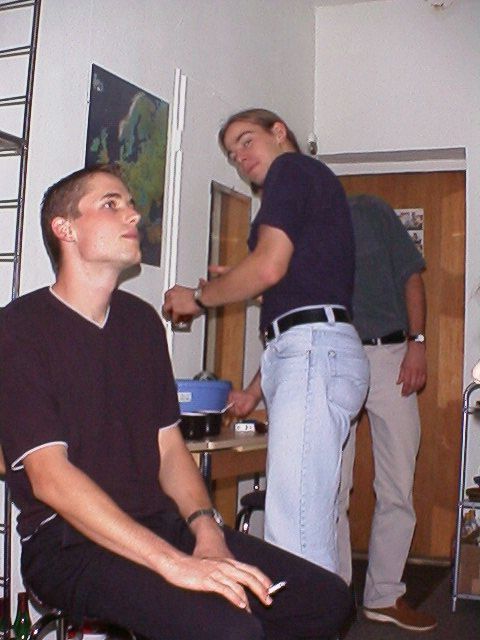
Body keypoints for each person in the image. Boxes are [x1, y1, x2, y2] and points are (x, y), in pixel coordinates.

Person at [0, 164, 352, 640]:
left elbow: (169, 450)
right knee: (230, 629)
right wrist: (174, 565)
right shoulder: (20, 328)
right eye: (111, 204)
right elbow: (50, 479)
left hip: (160, 524)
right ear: (65, 229)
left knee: (325, 600)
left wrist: (207, 533)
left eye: (130, 203)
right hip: (69, 543)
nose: (133, 214)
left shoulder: (141, 322)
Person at [163, 109, 370, 575]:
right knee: (309, 519)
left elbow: (269, 268)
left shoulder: (291, 170)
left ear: (279, 132)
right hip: (311, 347)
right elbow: (289, 290)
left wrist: (198, 297)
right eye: (231, 154)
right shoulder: (307, 184)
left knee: (294, 533)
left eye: (246, 140)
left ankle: (304, 612)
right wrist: (255, 387)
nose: (239, 157)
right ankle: (322, 608)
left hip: (313, 350)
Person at [337, 194, 437, 632]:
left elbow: (410, 277)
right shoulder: (304, 226)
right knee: (332, 487)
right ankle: (334, 594)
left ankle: (384, 595)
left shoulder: (370, 211)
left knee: (397, 484)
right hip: (335, 358)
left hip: (390, 355)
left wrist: (418, 343)